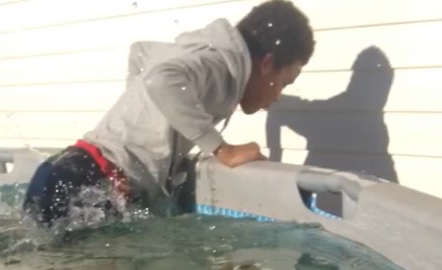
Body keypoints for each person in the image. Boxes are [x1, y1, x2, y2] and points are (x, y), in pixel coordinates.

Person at [23, 0, 315, 226]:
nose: (278, 96)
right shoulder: (219, 67)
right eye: (285, 82)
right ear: (266, 64)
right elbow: (160, 80)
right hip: (93, 182)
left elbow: (140, 54)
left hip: (69, 168)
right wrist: (221, 148)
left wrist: (149, 126)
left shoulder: (202, 53)